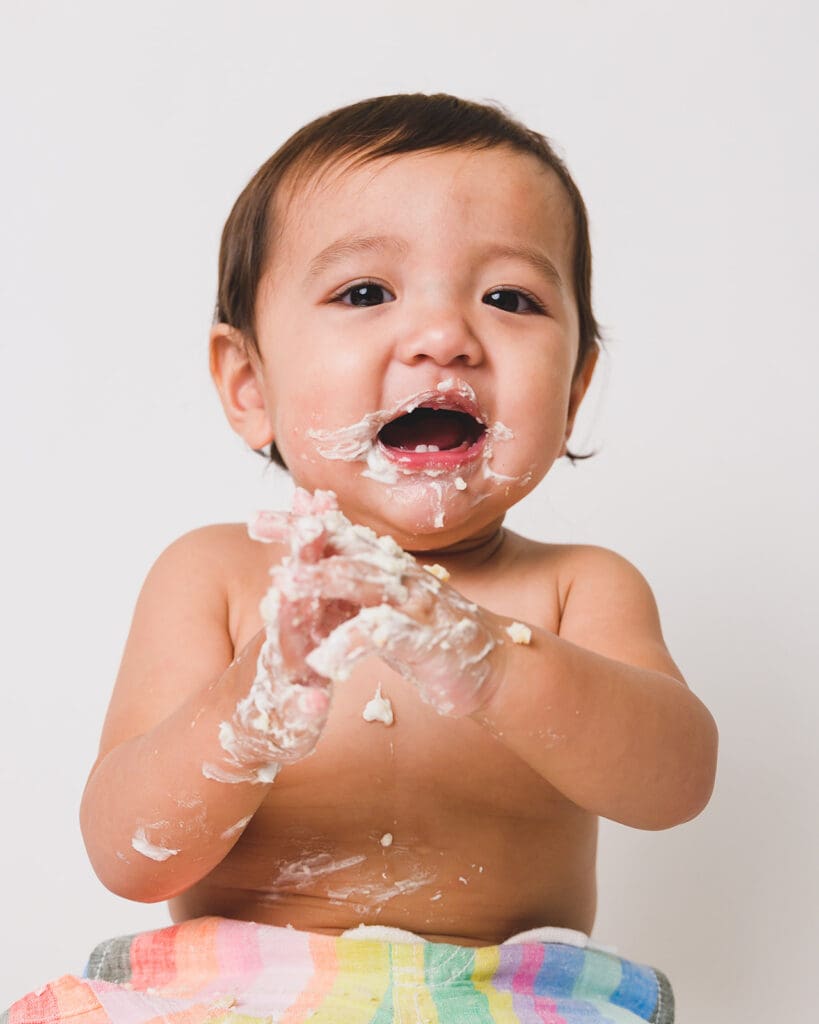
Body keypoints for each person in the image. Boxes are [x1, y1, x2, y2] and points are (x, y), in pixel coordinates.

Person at [6, 93, 717, 1024]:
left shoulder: (574, 589)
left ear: (577, 385)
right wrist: (257, 701)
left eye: (509, 298)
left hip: (500, 1001)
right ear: (248, 384)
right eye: (365, 293)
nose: (442, 338)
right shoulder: (214, 578)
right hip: (237, 995)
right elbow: (130, 856)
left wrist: (491, 658)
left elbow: (671, 785)